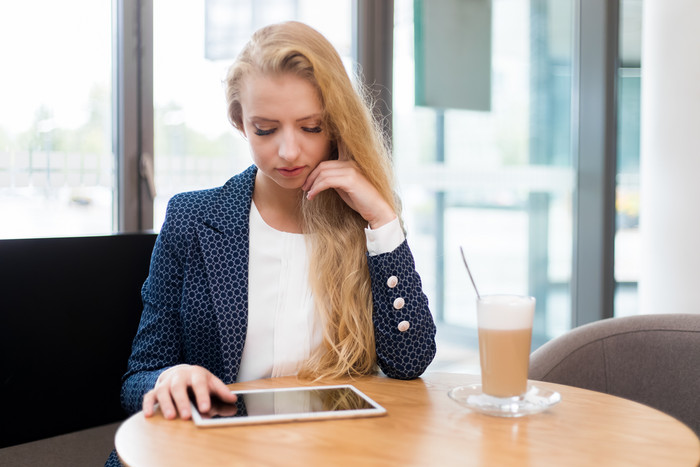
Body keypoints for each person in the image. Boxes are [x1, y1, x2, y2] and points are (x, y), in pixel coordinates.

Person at [107, 19, 436, 466]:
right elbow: (136, 380)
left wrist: (381, 219)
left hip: (332, 455)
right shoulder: (192, 219)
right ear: (239, 122)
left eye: (311, 127)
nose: (288, 152)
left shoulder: (365, 226)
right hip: (212, 455)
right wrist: (169, 377)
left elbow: (410, 360)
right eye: (266, 129)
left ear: (336, 125)